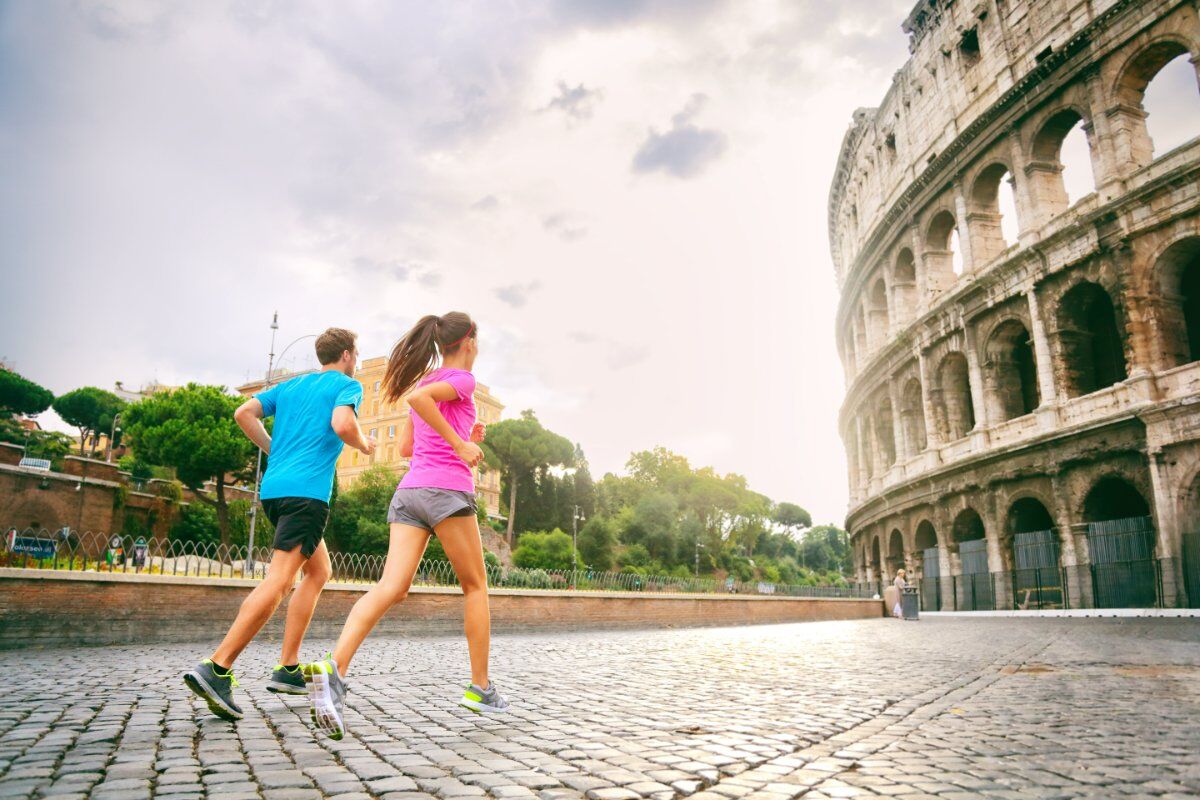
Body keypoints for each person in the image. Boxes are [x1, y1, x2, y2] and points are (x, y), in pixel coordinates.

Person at [304, 311, 505, 742]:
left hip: (410, 492)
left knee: (390, 587)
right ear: (469, 340)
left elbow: (409, 446)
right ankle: (481, 688)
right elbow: (419, 407)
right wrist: (459, 443)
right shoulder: (460, 380)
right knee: (475, 586)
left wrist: (466, 431)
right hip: (447, 492)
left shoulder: (426, 382)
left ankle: (334, 669)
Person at [183, 328, 374, 721]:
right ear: (346, 355)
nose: (356, 358)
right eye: (356, 353)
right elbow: (342, 425)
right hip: (307, 495)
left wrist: (275, 449)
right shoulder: (346, 385)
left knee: (319, 571)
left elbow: (243, 413)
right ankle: (217, 667)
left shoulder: (291, 386)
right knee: (281, 579)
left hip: (275, 490)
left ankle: (287, 668)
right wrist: (365, 444)